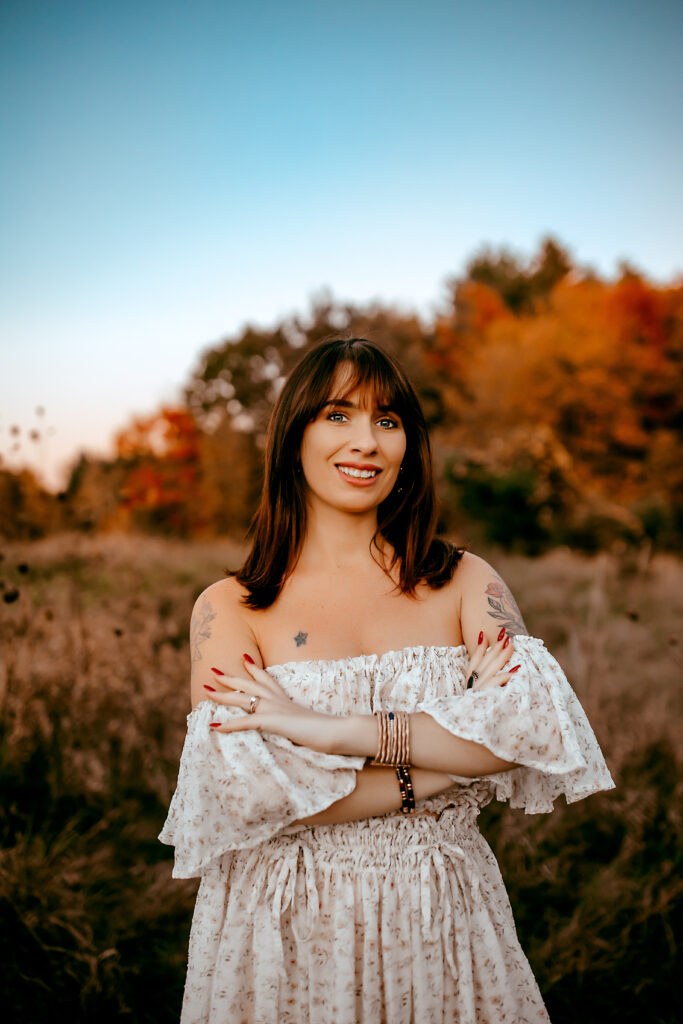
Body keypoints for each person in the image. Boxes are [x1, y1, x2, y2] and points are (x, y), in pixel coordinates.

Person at [160, 337, 614, 1023]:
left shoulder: (464, 581)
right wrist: (445, 768)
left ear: (408, 444)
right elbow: (251, 797)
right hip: (284, 917)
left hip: (440, 908)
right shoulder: (229, 607)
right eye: (337, 416)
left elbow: (528, 731)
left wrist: (330, 734)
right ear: (294, 436)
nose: (366, 442)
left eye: (388, 420)